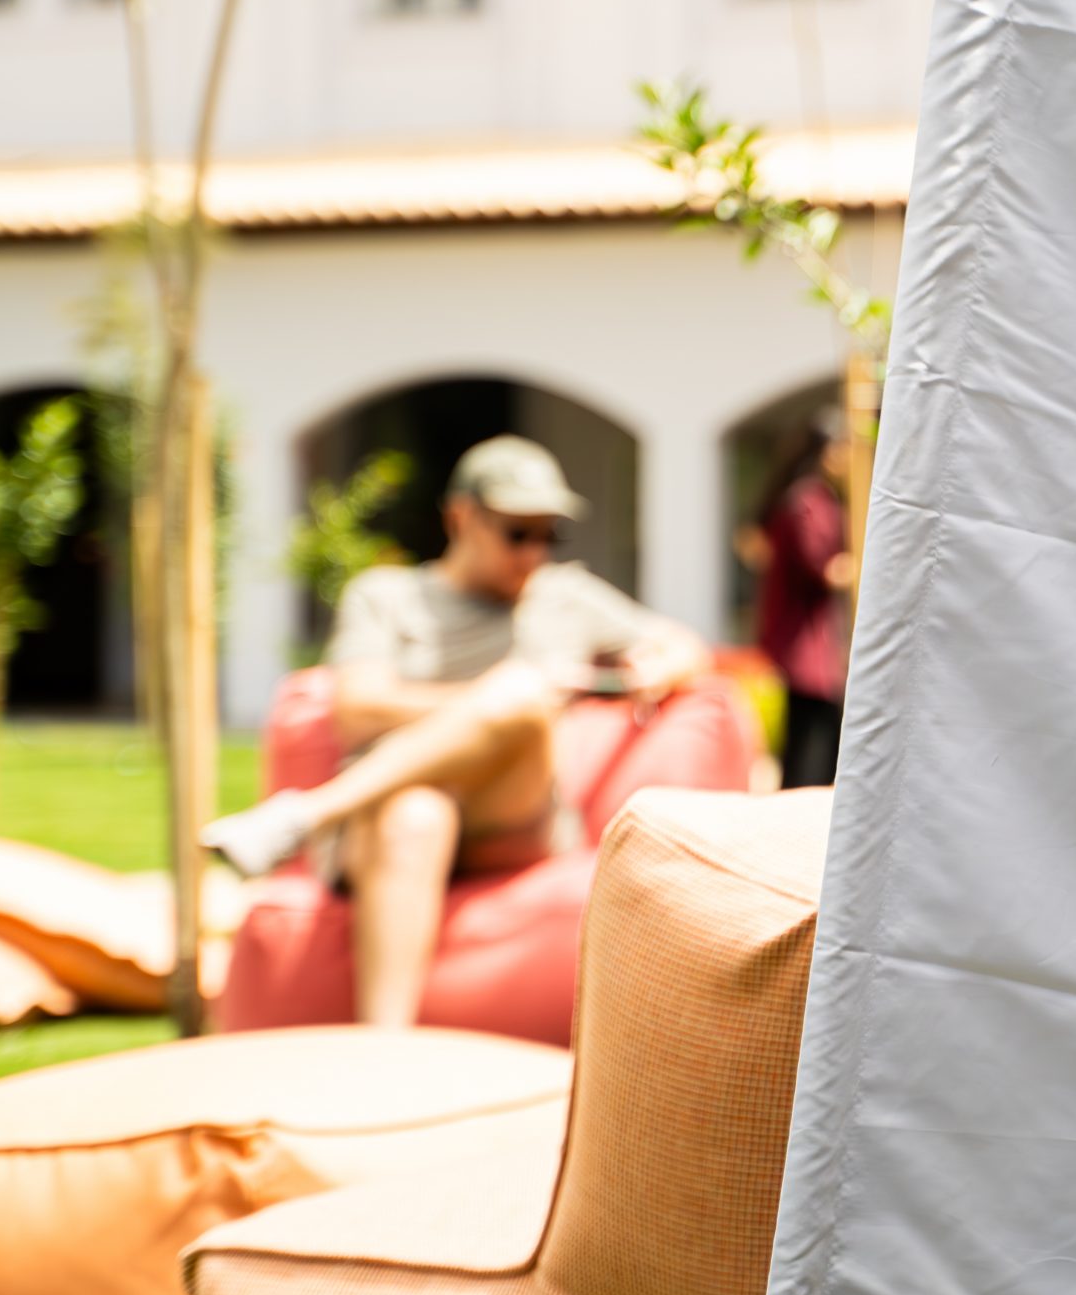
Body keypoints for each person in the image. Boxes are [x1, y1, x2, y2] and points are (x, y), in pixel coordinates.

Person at [203, 435, 708, 1027]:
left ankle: (306, 814)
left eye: (549, 535)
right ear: (462, 517)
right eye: (517, 533)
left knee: (524, 691)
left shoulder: (566, 595)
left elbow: (686, 647)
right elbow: (357, 708)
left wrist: (656, 669)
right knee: (418, 811)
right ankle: (385, 1049)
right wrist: (488, 701)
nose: (534, 552)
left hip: (514, 810)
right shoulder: (386, 595)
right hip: (392, 812)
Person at [753, 411, 854, 788]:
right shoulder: (806, 503)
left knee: (814, 742)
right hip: (806, 648)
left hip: (814, 646)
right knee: (810, 751)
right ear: (827, 452)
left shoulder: (814, 499)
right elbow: (821, 568)